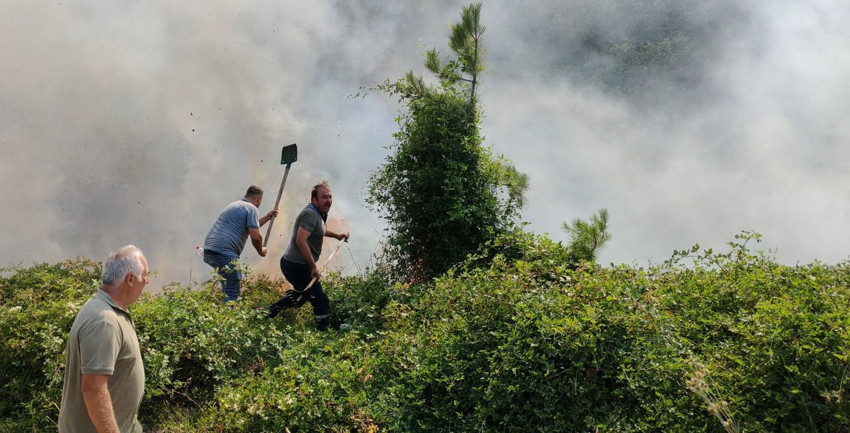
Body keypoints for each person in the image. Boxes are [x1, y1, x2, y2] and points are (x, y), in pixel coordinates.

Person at [58, 245, 150, 433]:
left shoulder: (110, 309)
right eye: (146, 275)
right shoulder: (104, 320)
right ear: (131, 279)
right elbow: (93, 388)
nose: (147, 281)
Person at [267, 181, 349, 330]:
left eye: (330, 197)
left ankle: (268, 312)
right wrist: (313, 267)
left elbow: (319, 230)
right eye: (324, 197)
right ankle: (323, 333)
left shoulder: (319, 214)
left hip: (295, 264)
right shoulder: (310, 214)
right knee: (320, 299)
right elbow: (300, 240)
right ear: (314, 200)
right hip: (296, 265)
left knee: (301, 297)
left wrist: (337, 235)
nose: (329, 201)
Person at [203, 185, 277, 303]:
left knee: (228, 287)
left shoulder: (236, 205)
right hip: (224, 252)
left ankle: (222, 313)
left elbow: (250, 227)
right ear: (258, 199)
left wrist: (267, 217)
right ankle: (229, 319)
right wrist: (261, 251)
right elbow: (256, 237)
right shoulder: (252, 208)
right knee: (233, 291)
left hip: (210, 250)